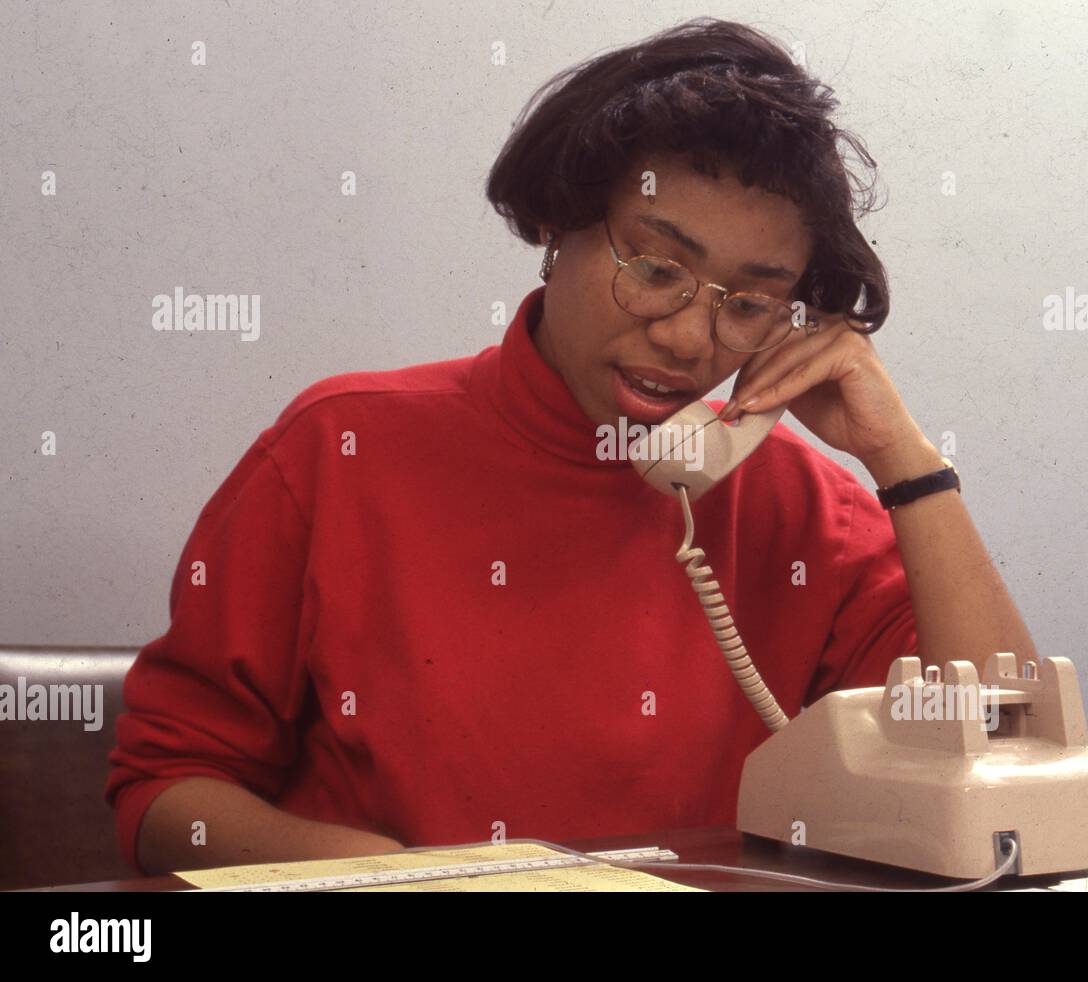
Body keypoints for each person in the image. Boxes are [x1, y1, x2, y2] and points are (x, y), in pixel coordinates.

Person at [106, 17, 1037, 876]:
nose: (687, 338)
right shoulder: (340, 447)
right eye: (657, 268)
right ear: (558, 226)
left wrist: (904, 462)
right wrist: (387, 876)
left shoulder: (806, 514)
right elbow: (165, 796)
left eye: (748, 302)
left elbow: (1011, 773)